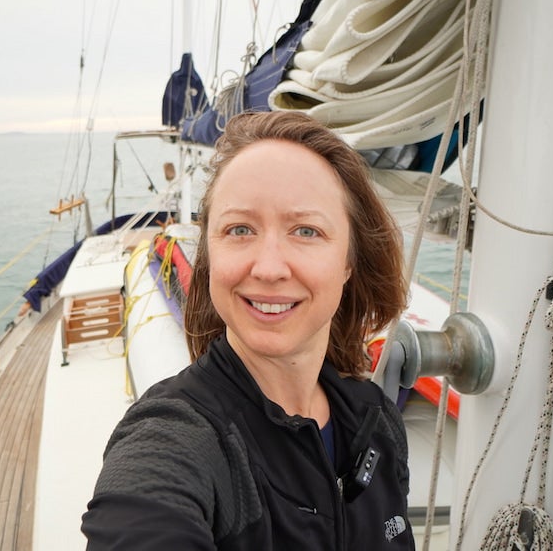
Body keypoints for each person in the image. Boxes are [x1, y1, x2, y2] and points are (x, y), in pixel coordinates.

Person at [82, 111, 415, 549]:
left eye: (306, 231)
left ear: (349, 262)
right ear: (210, 254)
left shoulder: (377, 422)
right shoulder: (177, 436)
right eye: (240, 229)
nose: (269, 268)